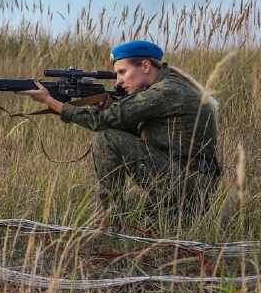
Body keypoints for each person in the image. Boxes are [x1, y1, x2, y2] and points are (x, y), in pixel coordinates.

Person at [20, 40, 221, 220]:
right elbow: (133, 129)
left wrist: (50, 102)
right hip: (194, 185)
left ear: (145, 65)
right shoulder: (172, 85)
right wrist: (110, 107)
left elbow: (101, 122)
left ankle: (111, 220)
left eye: (123, 72)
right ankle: (164, 214)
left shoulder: (164, 92)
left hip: (188, 185)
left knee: (106, 137)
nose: (118, 81)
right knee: (142, 221)